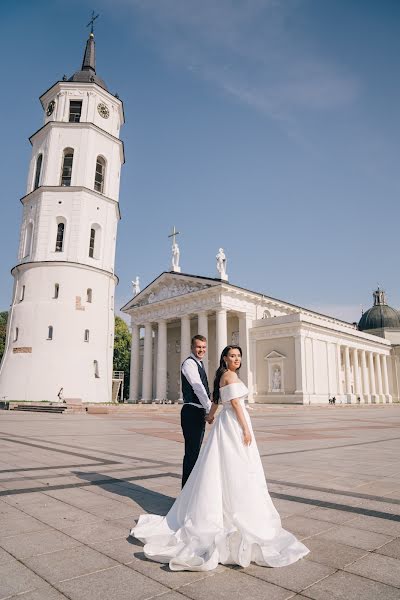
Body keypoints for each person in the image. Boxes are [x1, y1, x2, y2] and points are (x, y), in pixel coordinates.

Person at [131, 344, 309, 571]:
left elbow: (216, 401)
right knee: (237, 466)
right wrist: (245, 429)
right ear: (225, 358)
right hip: (234, 425)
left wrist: (210, 416)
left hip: (224, 425)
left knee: (219, 465)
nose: (236, 359)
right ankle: (234, 508)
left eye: (238, 356)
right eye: (232, 356)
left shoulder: (222, 376)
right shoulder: (230, 375)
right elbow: (235, 404)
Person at [180, 335, 212, 487]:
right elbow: (197, 386)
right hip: (191, 412)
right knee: (192, 454)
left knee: (195, 453)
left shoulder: (199, 364)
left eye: (204, 347)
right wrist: (209, 407)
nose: (201, 350)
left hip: (198, 412)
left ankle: (189, 493)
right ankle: (185, 493)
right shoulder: (189, 364)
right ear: (192, 347)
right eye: (199, 347)